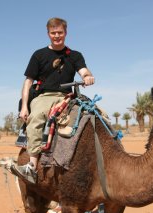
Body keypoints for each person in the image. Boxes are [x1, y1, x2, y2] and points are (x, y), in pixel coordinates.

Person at [13, 17, 95, 183]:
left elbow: (84, 70)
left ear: (66, 33)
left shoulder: (74, 55)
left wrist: (87, 76)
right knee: (36, 118)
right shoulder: (39, 55)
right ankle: (32, 165)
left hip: (67, 97)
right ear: (48, 34)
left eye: (60, 32)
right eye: (53, 33)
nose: (57, 36)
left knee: (97, 116)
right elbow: (28, 81)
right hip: (45, 96)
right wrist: (24, 108)